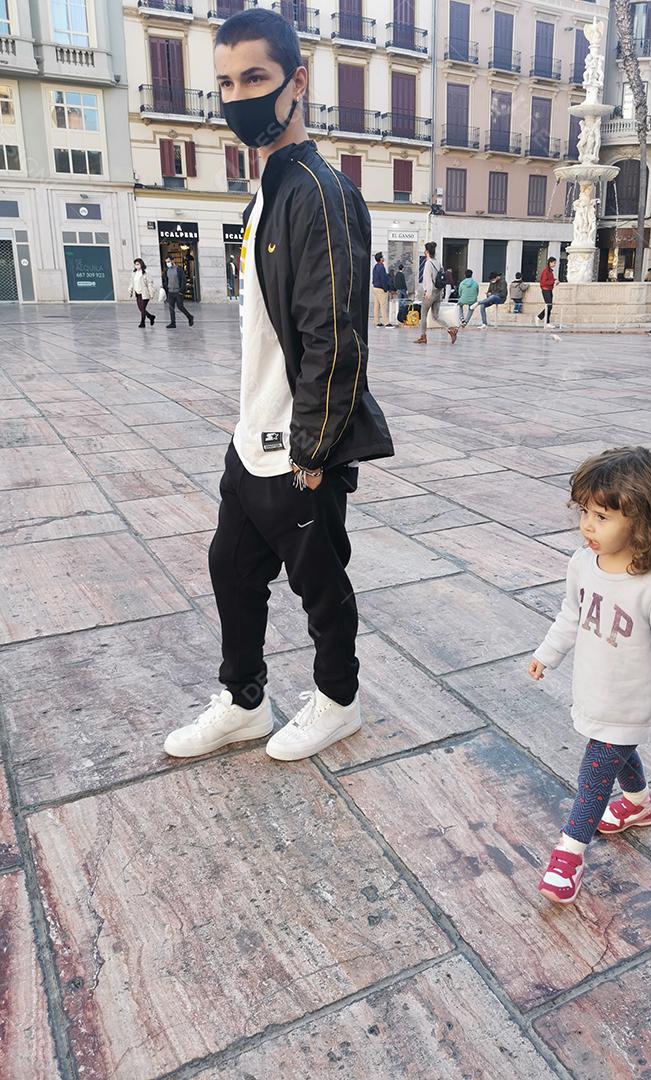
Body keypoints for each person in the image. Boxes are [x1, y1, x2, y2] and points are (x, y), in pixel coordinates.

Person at [163, 7, 393, 763]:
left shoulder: (318, 192)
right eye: (226, 83)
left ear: (297, 82)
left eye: (255, 78)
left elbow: (338, 331)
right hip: (252, 432)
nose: (239, 97)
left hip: (298, 439)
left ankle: (337, 701)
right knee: (231, 567)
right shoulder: (269, 189)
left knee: (319, 582)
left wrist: (313, 445)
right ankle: (243, 701)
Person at [529, 447, 651, 905]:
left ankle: (570, 850)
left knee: (595, 770)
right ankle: (641, 804)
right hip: (592, 689)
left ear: (643, 522)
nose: (587, 525)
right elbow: (571, 612)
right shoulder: (582, 564)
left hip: (630, 698)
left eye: (602, 517)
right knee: (615, 751)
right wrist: (548, 653)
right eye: (585, 511)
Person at [415, 241, 458, 344]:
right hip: (438, 292)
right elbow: (442, 277)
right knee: (435, 316)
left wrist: (428, 293)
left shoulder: (428, 263)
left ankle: (423, 336)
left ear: (427, 252)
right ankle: (451, 329)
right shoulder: (438, 262)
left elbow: (428, 280)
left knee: (424, 314)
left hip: (430, 293)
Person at [162, 256, 194, 329]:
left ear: (173, 261)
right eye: (166, 262)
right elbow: (165, 280)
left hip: (178, 292)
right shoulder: (166, 270)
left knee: (180, 307)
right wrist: (164, 287)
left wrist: (181, 291)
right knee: (171, 308)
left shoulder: (179, 269)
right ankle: (173, 323)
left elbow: (183, 280)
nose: (167, 263)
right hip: (170, 292)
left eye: (168, 261)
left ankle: (190, 317)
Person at [128, 258, 156, 327]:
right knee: (140, 308)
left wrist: (151, 293)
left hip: (145, 293)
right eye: (135, 264)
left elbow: (150, 283)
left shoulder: (146, 273)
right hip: (138, 293)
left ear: (141, 264)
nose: (136, 266)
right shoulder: (133, 273)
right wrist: (130, 290)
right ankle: (151, 317)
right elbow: (131, 283)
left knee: (142, 308)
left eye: (138, 264)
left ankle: (142, 322)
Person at [372, 252, 391, 327]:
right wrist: (386, 289)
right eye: (382, 257)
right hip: (381, 289)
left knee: (376, 306)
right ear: (380, 259)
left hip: (375, 287)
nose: (383, 258)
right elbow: (383, 279)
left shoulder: (375, 267)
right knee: (383, 306)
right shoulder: (382, 267)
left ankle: (377, 321)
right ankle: (386, 322)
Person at [537, 257, 556, 324]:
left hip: (549, 289)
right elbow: (543, 282)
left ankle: (546, 321)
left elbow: (549, 280)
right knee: (549, 306)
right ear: (550, 263)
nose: (554, 264)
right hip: (546, 290)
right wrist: (553, 282)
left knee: (549, 306)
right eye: (554, 263)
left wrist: (554, 280)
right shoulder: (546, 271)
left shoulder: (550, 271)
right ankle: (540, 318)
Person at [393, 262, 408, 327]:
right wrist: (406, 289)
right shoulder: (402, 274)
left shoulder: (396, 274)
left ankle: (399, 312)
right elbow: (404, 283)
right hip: (403, 289)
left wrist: (396, 288)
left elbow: (395, 282)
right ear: (403, 268)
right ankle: (403, 313)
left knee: (399, 301)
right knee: (404, 302)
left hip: (398, 289)